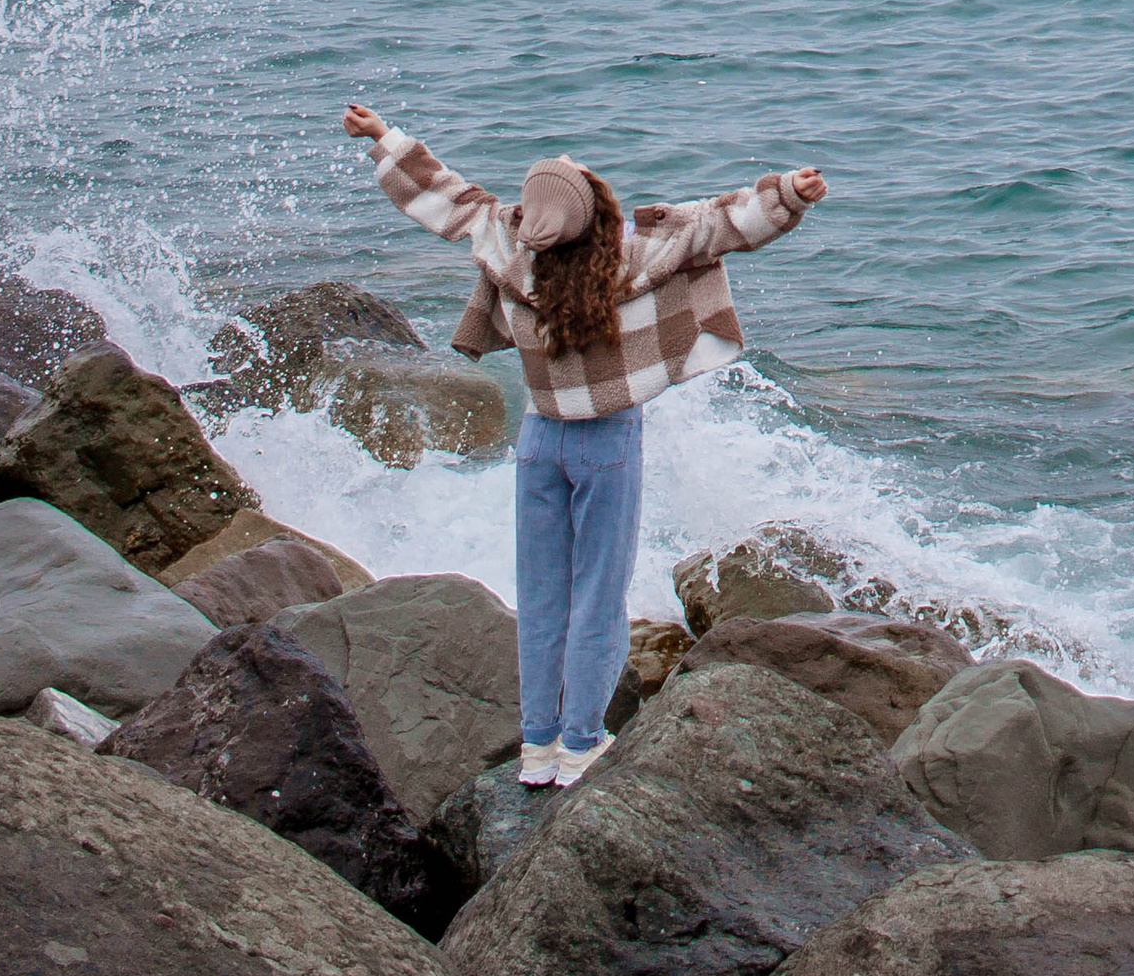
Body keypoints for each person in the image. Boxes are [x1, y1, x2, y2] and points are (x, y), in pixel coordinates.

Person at [341, 102, 827, 785]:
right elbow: (719, 224)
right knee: (598, 595)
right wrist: (787, 196)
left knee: (541, 597)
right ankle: (581, 742)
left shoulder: (508, 247)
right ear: (596, 212)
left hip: (539, 438)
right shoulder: (632, 257)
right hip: (605, 443)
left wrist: (384, 137)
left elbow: (442, 195)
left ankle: (536, 747)